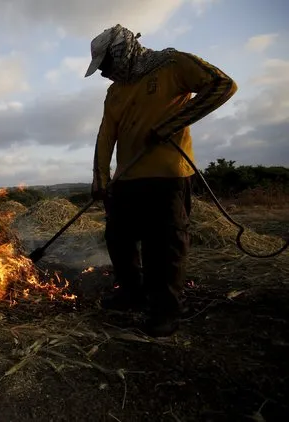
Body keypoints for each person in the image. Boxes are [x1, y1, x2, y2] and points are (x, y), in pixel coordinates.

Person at [85, 25, 237, 337]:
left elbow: (223, 85)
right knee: (118, 239)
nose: (104, 73)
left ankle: (166, 310)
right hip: (126, 179)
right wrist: (101, 177)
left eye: (105, 65)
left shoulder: (173, 64)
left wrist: (173, 124)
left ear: (121, 53)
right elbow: (106, 135)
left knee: (163, 246)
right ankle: (132, 294)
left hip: (168, 177)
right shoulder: (115, 92)